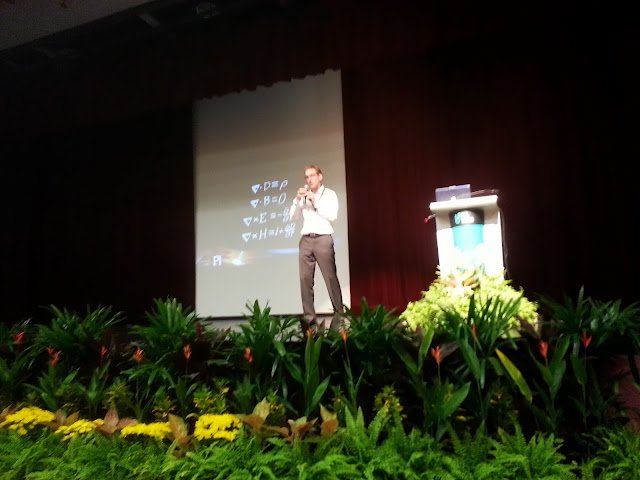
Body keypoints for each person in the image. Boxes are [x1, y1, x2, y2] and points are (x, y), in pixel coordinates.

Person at [289, 165, 343, 332]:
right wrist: (297, 200)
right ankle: (309, 319)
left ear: (320, 176)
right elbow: (293, 217)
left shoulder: (330, 194)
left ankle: (339, 316)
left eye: (312, 175)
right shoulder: (304, 196)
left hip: (323, 239)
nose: (309, 179)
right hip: (306, 240)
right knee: (305, 280)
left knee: (330, 278)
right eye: (307, 177)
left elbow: (332, 216)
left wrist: (315, 201)